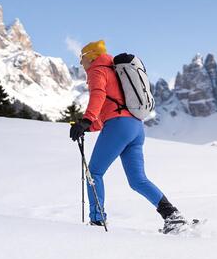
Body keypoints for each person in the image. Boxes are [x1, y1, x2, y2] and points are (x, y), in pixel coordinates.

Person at [68, 40, 188, 234]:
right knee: (138, 180)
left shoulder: (97, 70)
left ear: (90, 56)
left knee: (94, 172)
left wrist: (86, 119)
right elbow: (113, 109)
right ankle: (173, 216)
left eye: (81, 58)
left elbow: (98, 96)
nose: (81, 64)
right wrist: (88, 127)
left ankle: (97, 221)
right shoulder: (115, 71)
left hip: (119, 127)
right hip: (136, 128)